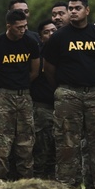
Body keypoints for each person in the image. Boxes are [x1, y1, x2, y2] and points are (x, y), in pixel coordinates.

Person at [43, 0, 95, 189]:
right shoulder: (59, 37)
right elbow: (48, 67)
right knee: (66, 141)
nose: (73, 11)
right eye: (71, 8)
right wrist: (61, 88)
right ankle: (68, 185)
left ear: (87, 11)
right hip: (68, 93)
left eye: (77, 8)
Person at [0, 9, 40, 180]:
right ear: (9, 26)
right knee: (0, 141)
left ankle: (26, 183)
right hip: (2, 96)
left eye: (25, 27)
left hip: (24, 96)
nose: (23, 30)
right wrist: (1, 89)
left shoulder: (30, 43)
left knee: (26, 142)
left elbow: (35, 71)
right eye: (19, 27)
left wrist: (21, 85)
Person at [31, 20, 57, 179]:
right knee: (41, 146)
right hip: (42, 107)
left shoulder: (64, 52)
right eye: (47, 32)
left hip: (62, 106)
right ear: (41, 37)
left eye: (54, 31)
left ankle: (55, 179)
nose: (51, 34)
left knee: (59, 146)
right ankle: (38, 179)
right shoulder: (37, 55)